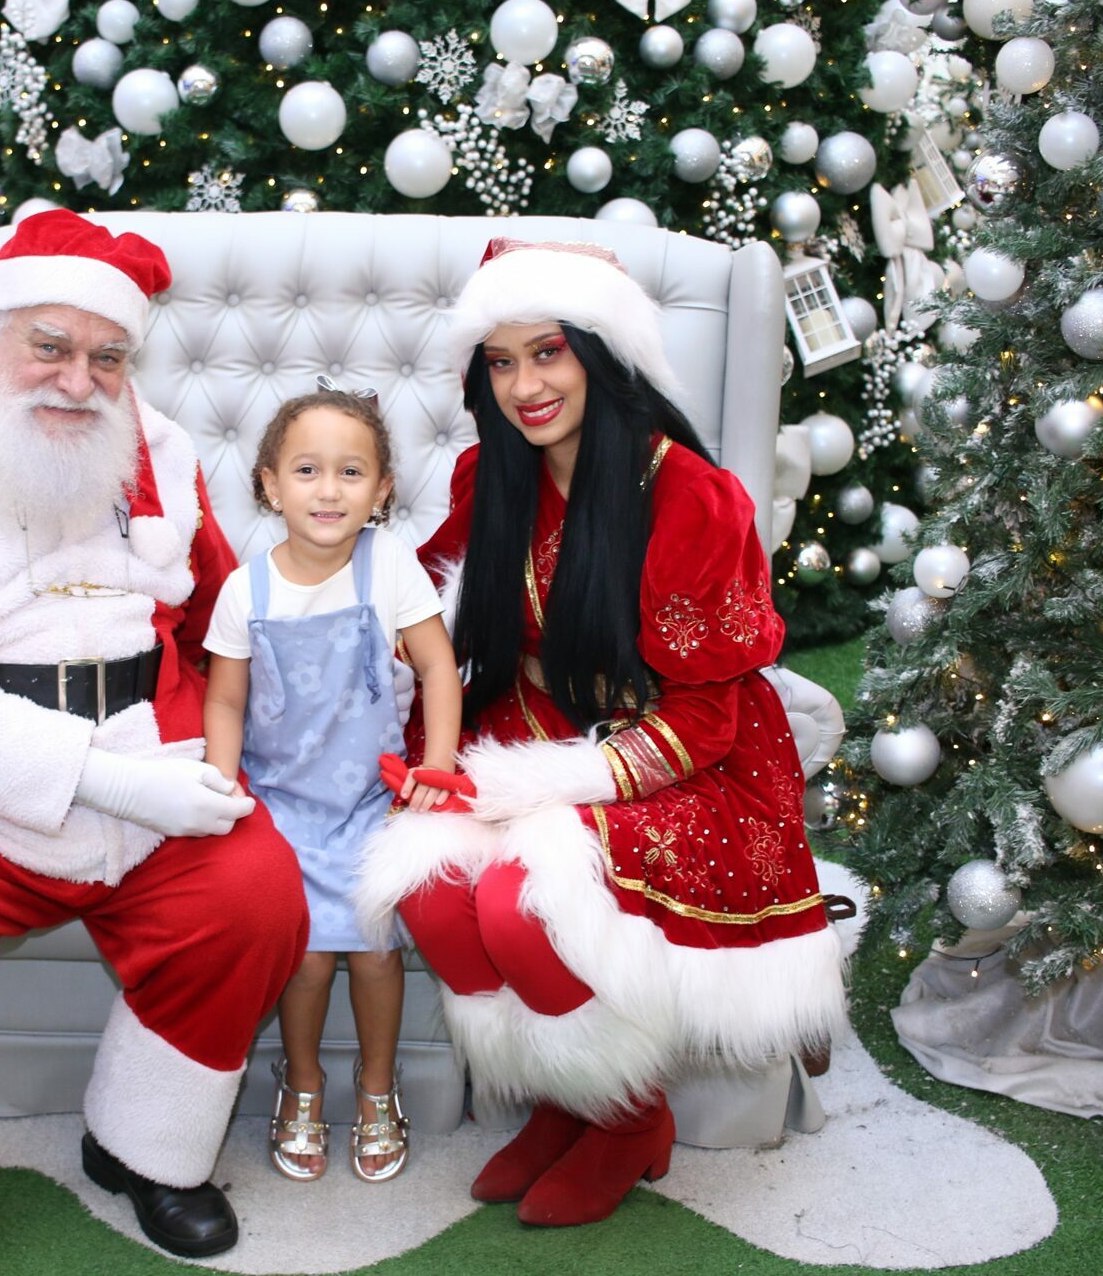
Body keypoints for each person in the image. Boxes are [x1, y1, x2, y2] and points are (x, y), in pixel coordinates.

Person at [0, 210, 308, 1276]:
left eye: (107, 356)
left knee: (255, 898)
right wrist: (113, 784)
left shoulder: (158, 449)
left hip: (149, 745)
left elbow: (215, 614)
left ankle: (145, 1148)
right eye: (50, 346)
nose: (79, 381)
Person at [354, 238, 848, 1227]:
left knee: (518, 902)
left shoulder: (692, 495)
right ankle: (567, 1097)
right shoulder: (491, 477)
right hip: (530, 729)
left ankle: (627, 1118)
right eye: (501, 362)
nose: (525, 386)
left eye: (549, 353)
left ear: (602, 354)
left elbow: (706, 718)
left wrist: (543, 784)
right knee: (432, 891)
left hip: (685, 759)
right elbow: (428, 617)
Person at [199, 388, 462, 1184]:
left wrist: (437, 764)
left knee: (376, 952)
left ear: (382, 489)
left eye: (352, 472)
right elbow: (225, 700)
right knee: (309, 958)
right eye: (307, 470)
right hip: (281, 807)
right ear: (270, 484)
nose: (329, 490)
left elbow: (437, 668)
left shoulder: (390, 567)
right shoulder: (246, 590)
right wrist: (220, 784)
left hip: (368, 803)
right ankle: (302, 1082)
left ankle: (377, 1085)